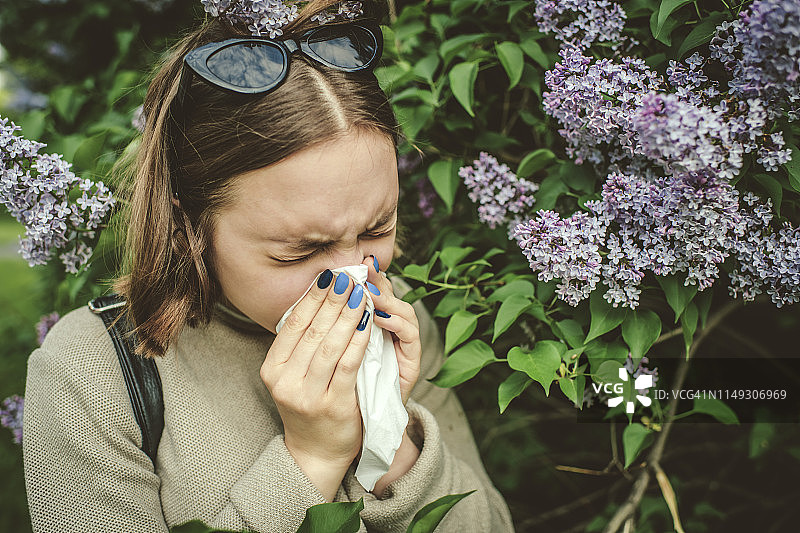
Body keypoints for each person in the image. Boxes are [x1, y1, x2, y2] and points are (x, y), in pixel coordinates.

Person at [22, 1, 515, 531]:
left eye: (377, 228)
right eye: (299, 252)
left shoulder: (401, 330)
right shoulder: (90, 372)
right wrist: (313, 459)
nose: (354, 274)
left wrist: (387, 434)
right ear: (188, 225)